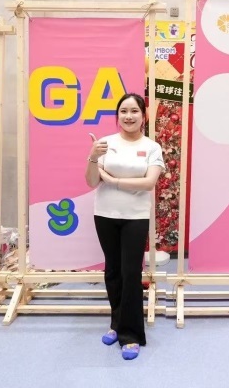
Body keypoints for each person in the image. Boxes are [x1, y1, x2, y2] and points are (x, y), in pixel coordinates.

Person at [85, 92, 164, 360]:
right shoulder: (105, 144)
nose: (128, 116)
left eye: (134, 111)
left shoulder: (152, 147)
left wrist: (113, 180)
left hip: (135, 217)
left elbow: (148, 183)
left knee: (131, 273)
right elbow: (91, 181)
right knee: (113, 271)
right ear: (117, 116)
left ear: (144, 116)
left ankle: (131, 335)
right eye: (123, 111)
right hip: (104, 214)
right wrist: (93, 157)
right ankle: (116, 323)